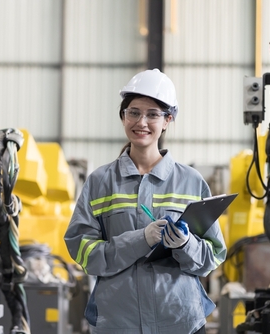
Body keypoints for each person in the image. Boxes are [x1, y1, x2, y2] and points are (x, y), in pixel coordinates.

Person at [64, 68, 227, 334]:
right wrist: (142, 239)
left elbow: (213, 256)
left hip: (180, 322)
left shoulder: (191, 181)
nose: (142, 122)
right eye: (134, 112)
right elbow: (83, 252)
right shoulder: (100, 182)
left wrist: (186, 245)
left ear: (167, 120)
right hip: (117, 324)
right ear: (123, 117)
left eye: (153, 114)